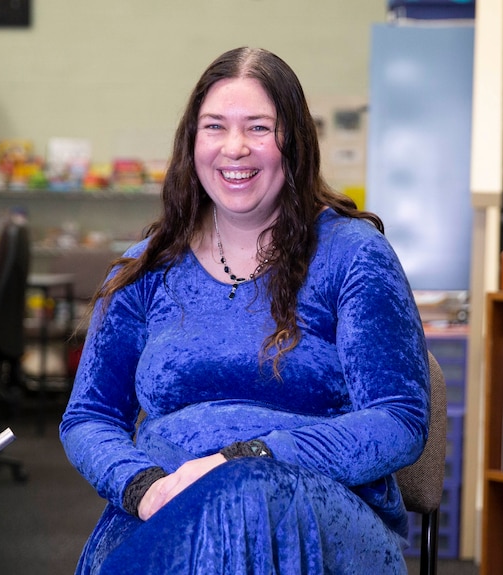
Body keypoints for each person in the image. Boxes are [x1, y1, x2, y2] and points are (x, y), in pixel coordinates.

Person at [59, 47, 429, 574]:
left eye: (259, 127)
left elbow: (399, 420)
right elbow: (89, 417)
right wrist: (141, 487)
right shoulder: (146, 268)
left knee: (240, 498)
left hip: (319, 511)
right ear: (193, 143)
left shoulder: (354, 256)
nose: (235, 148)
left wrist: (249, 458)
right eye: (215, 127)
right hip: (163, 508)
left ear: (294, 144)